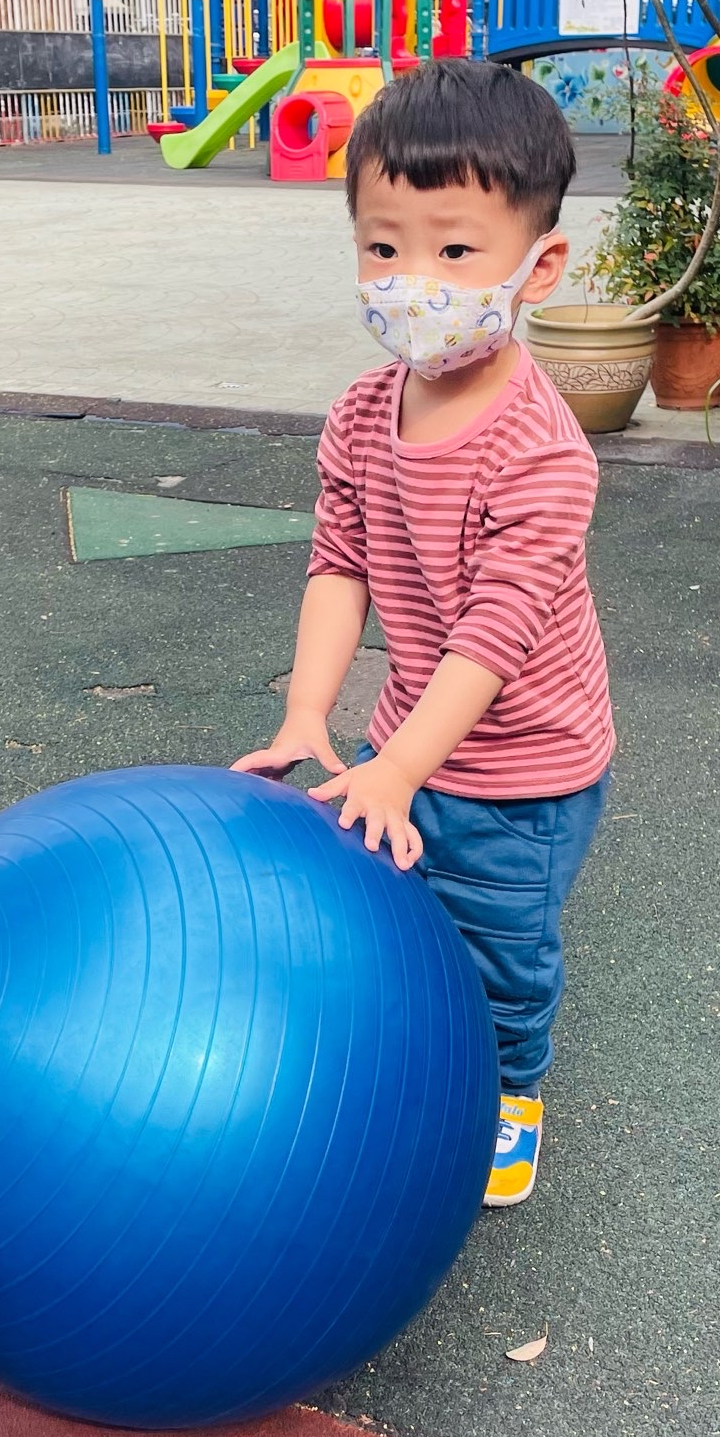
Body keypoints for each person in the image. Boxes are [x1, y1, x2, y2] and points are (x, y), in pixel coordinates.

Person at [233, 58, 613, 1210]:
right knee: (392, 910)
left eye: (454, 251)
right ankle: (410, 1055)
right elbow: (339, 563)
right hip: (410, 733)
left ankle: (509, 1095)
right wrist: (310, 712)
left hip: (525, 771)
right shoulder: (361, 412)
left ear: (538, 265)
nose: (413, 281)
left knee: (497, 950)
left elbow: (494, 636)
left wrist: (401, 767)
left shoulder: (541, 453)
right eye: (382, 247)